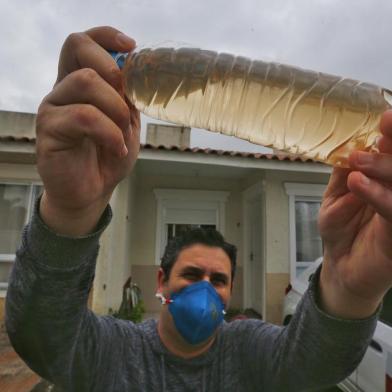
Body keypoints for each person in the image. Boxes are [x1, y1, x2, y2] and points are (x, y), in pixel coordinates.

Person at [4, 26, 392, 391]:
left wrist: (349, 287)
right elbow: (43, 339)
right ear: (160, 281)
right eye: (191, 273)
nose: (206, 289)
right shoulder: (114, 349)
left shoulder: (250, 350)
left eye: (219, 280)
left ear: (230, 292)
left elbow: (315, 364)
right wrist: (69, 212)